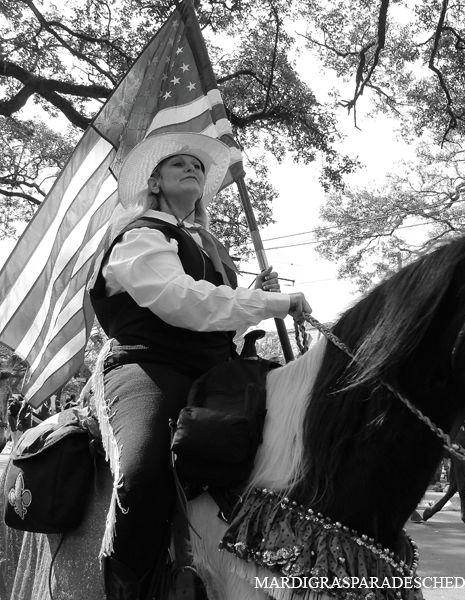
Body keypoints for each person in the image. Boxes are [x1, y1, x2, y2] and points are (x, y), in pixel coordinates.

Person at [88, 128, 311, 599]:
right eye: (178, 164)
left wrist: (253, 292)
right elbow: (181, 302)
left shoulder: (208, 247)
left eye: (198, 166)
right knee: (146, 470)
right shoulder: (140, 235)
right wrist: (273, 302)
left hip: (218, 371)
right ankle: (130, 590)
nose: (192, 168)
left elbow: (219, 317)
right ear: (155, 182)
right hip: (149, 366)